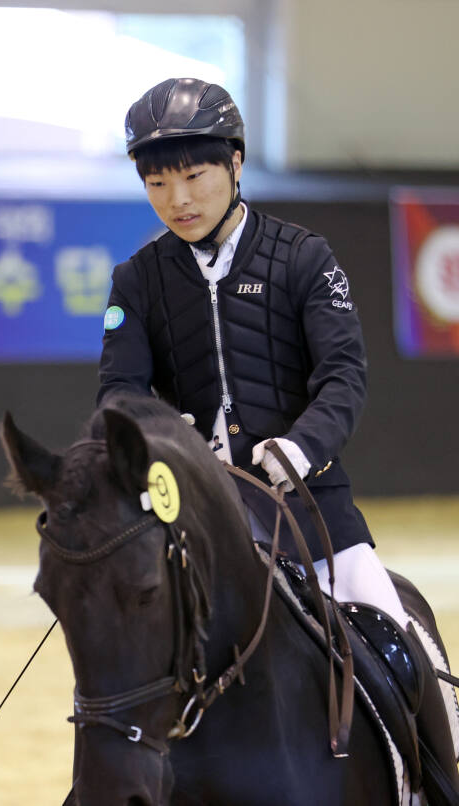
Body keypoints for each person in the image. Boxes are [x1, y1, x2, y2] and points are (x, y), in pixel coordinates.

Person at [97, 77, 458, 798]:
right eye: (157, 181)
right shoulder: (136, 282)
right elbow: (120, 395)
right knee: (118, 669)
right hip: (201, 522)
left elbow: (344, 376)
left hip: (316, 518)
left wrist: (298, 448)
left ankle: (440, 784)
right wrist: (169, 458)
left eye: (194, 174)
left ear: (234, 163)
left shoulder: (304, 259)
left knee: (402, 654)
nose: (179, 198)